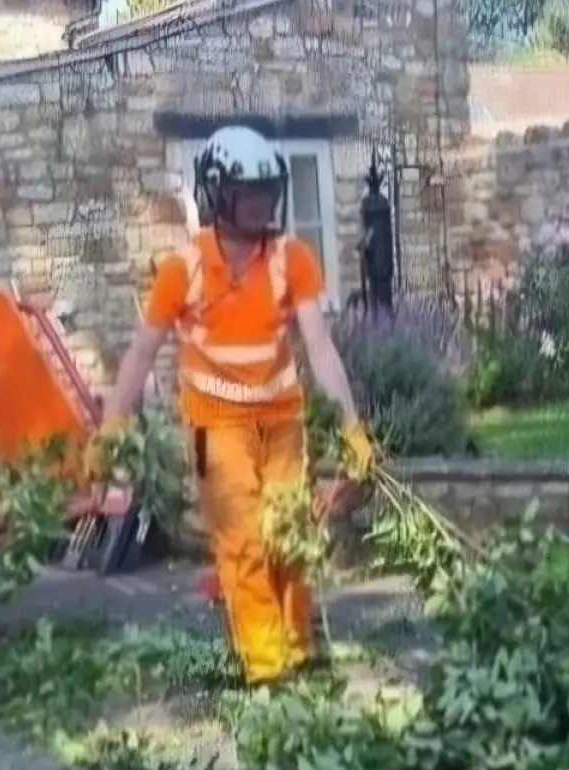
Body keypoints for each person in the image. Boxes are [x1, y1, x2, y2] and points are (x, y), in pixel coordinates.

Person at [91, 124, 378, 687]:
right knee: (245, 541)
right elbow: (141, 354)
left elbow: (319, 345)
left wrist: (352, 423)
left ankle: (298, 650)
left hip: (281, 420)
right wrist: (110, 432)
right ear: (218, 193)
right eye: (251, 193)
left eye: (269, 192)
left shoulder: (291, 258)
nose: (263, 204)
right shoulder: (183, 270)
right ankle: (267, 669)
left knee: (288, 536)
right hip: (216, 425)